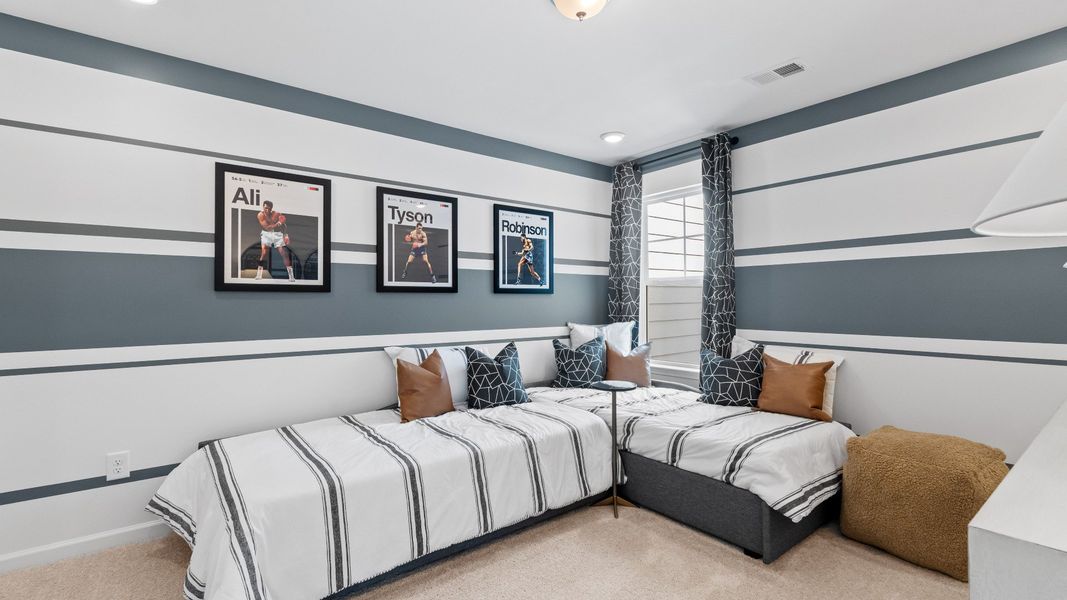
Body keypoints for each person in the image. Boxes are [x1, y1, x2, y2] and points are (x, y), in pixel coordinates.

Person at [255, 200, 295, 282]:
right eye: (265, 208)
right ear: (263, 207)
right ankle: (259, 274)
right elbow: (267, 228)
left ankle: (291, 276)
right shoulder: (260, 215)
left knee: (284, 253)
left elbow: (284, 224)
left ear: (271, 208)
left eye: (269, 209)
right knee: (264, 253)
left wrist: (286, 235)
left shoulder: (276, 214)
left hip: (277, 234)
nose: (267, 210)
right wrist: (278, 223)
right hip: (266, 234)